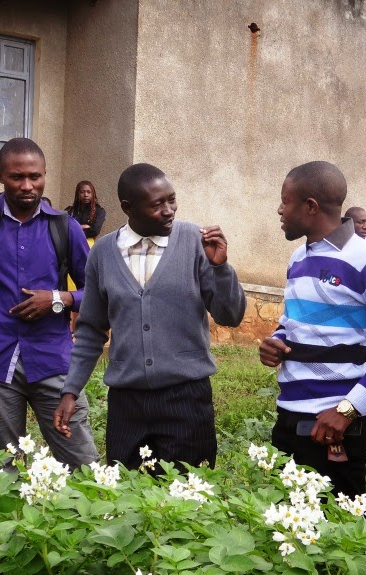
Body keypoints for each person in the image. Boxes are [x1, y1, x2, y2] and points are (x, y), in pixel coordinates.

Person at [53, 163, 246, 470]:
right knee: (128, 490)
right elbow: (90, 331)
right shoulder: (103, 253)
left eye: (172, 200)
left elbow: (231, 315)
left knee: (187, 490)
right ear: (128, 208)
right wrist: (70, 390)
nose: (169, 210)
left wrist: (221, 268)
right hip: (127, 404)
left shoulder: (195, 242)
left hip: (186, 399)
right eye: (157, 205)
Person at [261, 162, 366, 498]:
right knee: (283, 521)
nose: (279, 209)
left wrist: (348, 410)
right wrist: (277, 341)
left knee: (339, 526)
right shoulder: (298, 258)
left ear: (310, 206)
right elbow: (292, 322)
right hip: (288, 416)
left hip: (334, 428)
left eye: (285, 202)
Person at [0, 138, 98, 469]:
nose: (27, 185)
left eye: (35, 176)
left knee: (82, 466)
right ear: (0, 176)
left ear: (45, 174)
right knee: (4, 470)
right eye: (17, 177)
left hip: (55, 363)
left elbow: (97, 294)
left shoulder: (65, 228)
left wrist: (59, 299)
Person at [65, 181, 107, 246]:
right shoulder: (70, 210)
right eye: (82, 192)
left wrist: (73, 229)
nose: (86, 195)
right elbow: (63, 227)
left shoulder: (99, 211)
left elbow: (95, 231)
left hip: (87, 246)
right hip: (70, 245)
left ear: (93, 194)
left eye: (89, 192)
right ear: (77, 193)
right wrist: (81, 227)